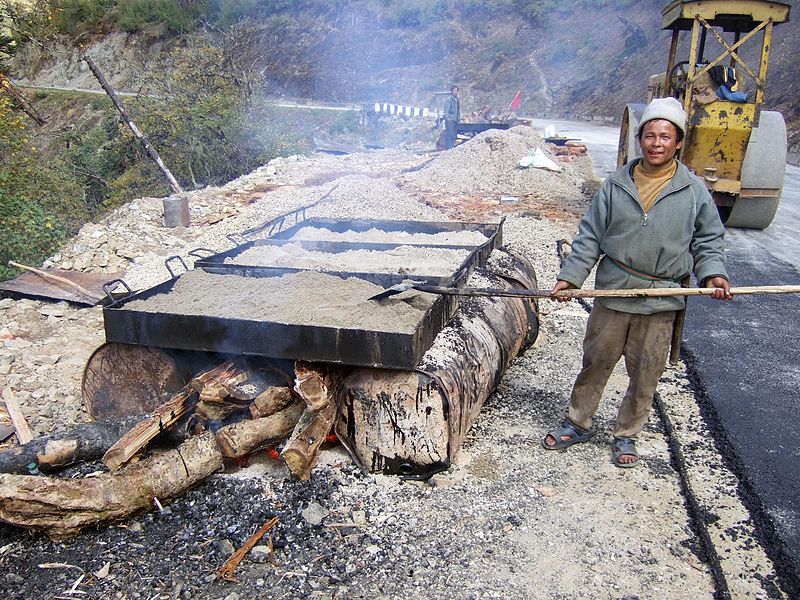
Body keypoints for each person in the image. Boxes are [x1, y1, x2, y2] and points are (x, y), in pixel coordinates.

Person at [541, 97, 733, 468]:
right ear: (639, 140)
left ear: (678, 142)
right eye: (649, 135)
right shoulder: (615, 186)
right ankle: (578, 422)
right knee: (596, 361)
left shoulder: (693, 192)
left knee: (646, 371)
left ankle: (626, 434)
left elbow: (708, 240)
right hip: (614, 292)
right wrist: (570, 278)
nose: (656, 143)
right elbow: (590, 237)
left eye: (665, 136)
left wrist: (713, 273)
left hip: (662, 297)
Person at [443, 85, 460, 150]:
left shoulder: (457, 100)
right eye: (454, 91)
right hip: (450, 121)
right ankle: (449, 150)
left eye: (456, 91)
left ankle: (452, 149)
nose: (455, 92)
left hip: (455, 120)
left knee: (454, 136)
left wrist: (458, 119)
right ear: (451, 92)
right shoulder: (448, 100)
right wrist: (448, 119)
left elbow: (458, 110)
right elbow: (446, 111)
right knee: (450, 136)